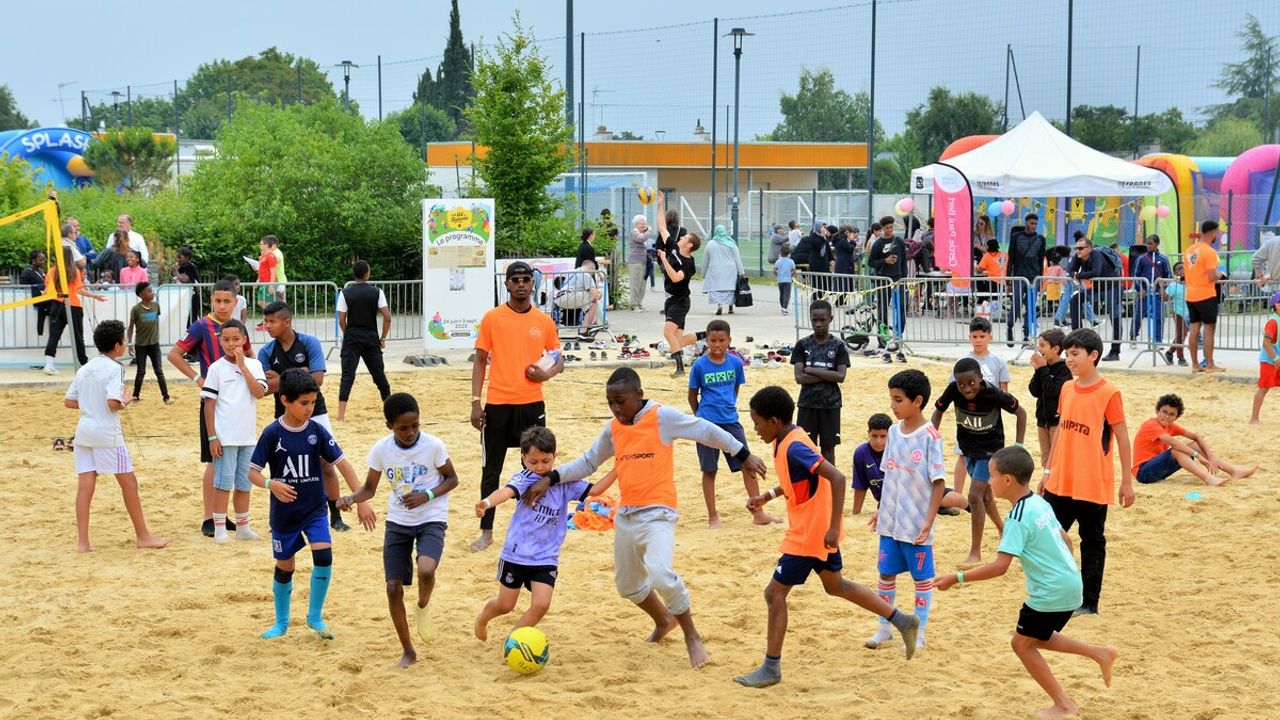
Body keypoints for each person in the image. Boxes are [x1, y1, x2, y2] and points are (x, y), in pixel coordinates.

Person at [521, 367, 768, 669]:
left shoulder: (662, 417)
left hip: (659, 513)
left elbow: (705, 430)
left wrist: (743, 454)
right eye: (610, 402)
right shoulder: (614, 427)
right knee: (627, 585)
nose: (615, 408)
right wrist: (551, 477)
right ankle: (664, 620)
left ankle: (692, 635)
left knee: (660, 572)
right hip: (626, 515)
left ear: (638, 395)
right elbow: (588, 463)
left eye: (620, 401)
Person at [734, 386, 919, 688]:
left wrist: (834, 527)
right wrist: (767, 495)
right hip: (812, 528)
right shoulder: (786, 440)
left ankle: (771, 668)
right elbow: (797, 480)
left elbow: (838, 477)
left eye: (756, 422)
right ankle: (902, 620)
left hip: (810, 534)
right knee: (836, 586)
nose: (754, 429)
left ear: (774, 421)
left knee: (774, 594)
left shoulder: (794, 445)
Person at [935, 446, 1118, 720]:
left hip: (1051, 591)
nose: (990, 480)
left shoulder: (1017, 518)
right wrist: (1061, 567)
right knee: (1037, 637)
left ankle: (1064, 705)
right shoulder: (1039, 502)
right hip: (1070, 584)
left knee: (1021, 644)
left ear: (1007, 480)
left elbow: (1000, 567)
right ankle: (1099, 653)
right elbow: (1066, 539)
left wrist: (957, 578)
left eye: (993, 475)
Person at [336, 392, 458, 668]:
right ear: (389, 425)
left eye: (415, 425)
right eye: (403, 428)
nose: (410, 432)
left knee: (426, 570)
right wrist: (350, 499)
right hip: (398, 522)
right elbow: (369, 488)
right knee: (393, 588)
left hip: (431, 516)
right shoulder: (381, 450)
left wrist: (426, 495)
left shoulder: (433, 446)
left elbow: (452, 479)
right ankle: (408, 651)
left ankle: (423, 606)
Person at [472, 426, 616, 646]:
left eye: (545, 461)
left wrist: (619, 468)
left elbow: (595, 490)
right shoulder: (524, 478)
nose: (540, 467)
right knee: (505, 605)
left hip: (545, 556)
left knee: (541, 605)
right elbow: (506, 492)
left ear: (554, 456)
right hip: (516, 554)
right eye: (534, 462)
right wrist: (487, 503)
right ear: (523, 458)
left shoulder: (564, 482)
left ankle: (513, 642)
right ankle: (482, 619)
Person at [249, 368, 364, 640]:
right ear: (285, 400)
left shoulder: (317, 431)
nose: (309, 408)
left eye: (313, 402)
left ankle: (314, 617)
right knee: (285, 566)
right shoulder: (272, 433)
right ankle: (281, 623)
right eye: (304, 403)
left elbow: (343, 465)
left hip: (314, 509)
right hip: (284, 514)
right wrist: (270, 484)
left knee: (324, 556)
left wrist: (360, 498)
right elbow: (252, 472)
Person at [1038, 328, 1134, 616]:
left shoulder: (1109, 392)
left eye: (1075, 354)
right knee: (1050, 536)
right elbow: (1060, 435)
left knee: (1092, 541)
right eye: (1067, 354)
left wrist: (1127, 482)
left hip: (1092, 482)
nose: (1069, 359)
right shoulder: (1067, 388)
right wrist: (1047, 471)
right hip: (1061, 479)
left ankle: (1089, 602)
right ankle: (1062, 590)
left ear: (1093, 355)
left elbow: (1122, 437)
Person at [470, 260, 563, 552]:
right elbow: (481, 360)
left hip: (531, 403)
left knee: (538, 468)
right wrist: (476, 402)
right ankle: (487, 532)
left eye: (526, 279)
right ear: (507, 284)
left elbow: (558, 358)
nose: (521, 283)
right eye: (516, 279)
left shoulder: (544, 321)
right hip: (497, 404)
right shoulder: (492, 318)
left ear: (532, 283)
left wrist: (547, 372)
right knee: (491, 470)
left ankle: (537, 525)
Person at [258, 300, 374, 533]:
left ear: (287, 321)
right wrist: (298, 374)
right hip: (284, 412)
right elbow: (264, 388)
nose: (267, 326)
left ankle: (335, 515)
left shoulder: (309, 342)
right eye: (266, 321)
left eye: (272, 321)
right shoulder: (266, 351)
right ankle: (285, 515)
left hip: (315, 411)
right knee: (284, 467)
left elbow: (317, 379)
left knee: (327, 465)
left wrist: (281, 377)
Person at [65, 319, 170, 553]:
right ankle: (143, 536)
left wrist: (93, 403)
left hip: (84, 432)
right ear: (117, 345)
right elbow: (112, 402)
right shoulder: (115, 368)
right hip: (106, 433)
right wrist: (126, 400)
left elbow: (69, 401)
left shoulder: (85, 368)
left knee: (85, 486)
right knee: (129, 483)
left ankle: (83, 543)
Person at [865, 369, 946, 652]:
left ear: (918, 401)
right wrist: (880, 509)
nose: (892, 405)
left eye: (898, 399)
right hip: (890, 521)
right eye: (891, 398)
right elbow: (889, 475)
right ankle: (884, 628)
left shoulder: (930, 437)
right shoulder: (894, 433)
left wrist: (928, 521)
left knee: (921, 579)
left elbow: (938, 483)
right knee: (885, 574)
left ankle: (919, 633)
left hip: (916, 526)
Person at [169, 279, 252, 536]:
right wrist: (199, 380)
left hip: (237, 405)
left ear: (236, 302)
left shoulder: (237, 329)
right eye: (218, 300)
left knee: (235, 460)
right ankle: (209, 517)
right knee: (214, 461)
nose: (222, 305)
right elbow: (174, 355)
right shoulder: (201, 326)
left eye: (227, 301)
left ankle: (224, 516)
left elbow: (250, 357)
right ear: (211, 301)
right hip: (213, 404)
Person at [932, 357, 1027, 566]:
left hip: (991, 452)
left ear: (981, 378)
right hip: (968, 450)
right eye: (961, 384)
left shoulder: (993, 393)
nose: (966, 389)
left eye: (971, 383)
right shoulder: (953, 390)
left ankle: (975, 552)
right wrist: (930, 437)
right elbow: (938, 410)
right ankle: (1003, 530)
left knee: (974, 495)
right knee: (985, 497)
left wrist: (1018, 447)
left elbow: (1021, 412)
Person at [688, 319, 779, 527]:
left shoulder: (736, 363)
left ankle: (758, 513)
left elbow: (735, 389)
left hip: (731, 421)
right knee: (709, 470)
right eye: (713, 341)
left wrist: (728, 408)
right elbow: (692, 395)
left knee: (747, 465)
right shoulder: (699, 365)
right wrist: (700, 417)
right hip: (707, 424)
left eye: (721, 340)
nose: (717, 345)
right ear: (707, 341)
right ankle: (713, 517)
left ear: (729, 340)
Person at [200, 319, 267, 543]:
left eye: (236, 339)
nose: (231, 344)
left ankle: (243, 526)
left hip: (247, 436)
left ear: (244, 340)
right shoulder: (216, 368)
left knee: (244, 483)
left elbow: (258, 392)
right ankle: (219, 527)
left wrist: (243, 366)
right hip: (224, 437)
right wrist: (212, 437)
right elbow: (209, 405)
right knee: (222, 483)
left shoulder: (254, 366)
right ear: (220, 341)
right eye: (226, 340)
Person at [1133, 393, 1257, 486]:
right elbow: (1174, 443)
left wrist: (1210, 456)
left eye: (1171, 414)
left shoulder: (1170, 425)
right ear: (1157, 411)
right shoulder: (1151, 424)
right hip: (1143, 473)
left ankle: (1233, 471)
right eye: (1164, 412)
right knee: (1176, 450)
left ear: (1176, 417)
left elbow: (1197, 437)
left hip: (1158, 471)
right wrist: (1199, 457)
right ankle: (1209, 479)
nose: (1166, 416)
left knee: (1195, 445)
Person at [791, 300, 849, 463]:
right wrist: (828, 373)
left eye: (822, 320)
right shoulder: (802, 345)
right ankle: (810, 486)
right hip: (807, 403)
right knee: (805, 448)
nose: (818, 324)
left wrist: (812, 370)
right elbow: (799, 378)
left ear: (830, 319)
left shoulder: (838, 346)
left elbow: (841, 376)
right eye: (814, 320)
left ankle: (829, 486)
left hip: (831, 404)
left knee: (828, 449)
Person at [655, 192, 704, 376]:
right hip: (672, 299)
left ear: (689, 245)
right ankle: (705, 335)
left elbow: (676, 277)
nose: (681, 238)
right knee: (679, 340)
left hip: (680, 301)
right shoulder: (675, 248)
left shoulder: (689, 263)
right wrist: (660, 205)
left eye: (684, 238)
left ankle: (680, 368)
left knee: (668, 332)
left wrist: (663, 259)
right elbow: (661, 227)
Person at [336, 260, 392, 421]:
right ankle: (390, 411)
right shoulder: (377, 292)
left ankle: (341, 416)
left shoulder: (345, 293)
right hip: (370, 337)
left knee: (347, 376)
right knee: (379, 375)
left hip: (352, 337)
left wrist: (349, 333)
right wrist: (382, 337)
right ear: (367, 273)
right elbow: (387, 317)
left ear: (354, 274)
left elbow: (341, 320)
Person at [44, 246, 104, 374]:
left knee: (54, 335)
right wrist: (95, 296)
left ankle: (49, 364)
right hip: (73, 306)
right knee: (78, 336)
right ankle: (83, 364)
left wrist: (59, 296)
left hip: (57, 305)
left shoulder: (52, 271)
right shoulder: (74, 271)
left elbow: (47, 292)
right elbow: (79, 290)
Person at [1186, 221, 1227, 372]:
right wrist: (1221, 275)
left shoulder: (1190, 250)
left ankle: (1195, 365)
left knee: (1194, 330)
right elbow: (1211, 276)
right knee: (1209, 330)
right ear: (1213, 233)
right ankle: (1210, 364)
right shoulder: (1209, 252)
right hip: (1205, 294)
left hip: (1191, 294)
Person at [1028, 328, 1071, 469]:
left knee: (1057, 456)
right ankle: (1047, 486)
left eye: (1042, 345)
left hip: (1056, 422)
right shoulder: (1043, 367)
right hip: (1042, 421)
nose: (1039, 349)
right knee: (1046, 457)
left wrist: (1042, 370)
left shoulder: (1064, 369)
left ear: (1056, 348)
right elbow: (1034, 391)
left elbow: (1052, 390)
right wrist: (1038, 371)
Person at [126, 281, 171, 404]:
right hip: (141, 345)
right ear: (141, 294)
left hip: (154, 344)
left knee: (159, 371)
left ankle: (166, 397)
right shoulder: (136, 309)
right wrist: (129, 343)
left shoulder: (156, 306)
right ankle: (135, 396)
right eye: (149, 291)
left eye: (152, 290)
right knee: (141, 371)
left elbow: (155, 322)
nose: (152, 293)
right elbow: (130, 327)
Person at [1006, 214, 1046, 344]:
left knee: (1030, 307)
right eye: (1031, 223)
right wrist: (1008, 280)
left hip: (1034, 278)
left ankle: (1026, 335)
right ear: (1026, 223)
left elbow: (1040, 261)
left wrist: (1040, 279)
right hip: (1019, 277)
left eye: (1035, 223)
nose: (1033, 226)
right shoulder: (1016, 237)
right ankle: (1009, 327)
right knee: (1016, 304)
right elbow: (1010, 259)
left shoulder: (1040, 239)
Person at [868, 217, 908, 341]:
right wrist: (884, 260)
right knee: (883, 307)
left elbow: (904, 259)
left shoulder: (899, 241)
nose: (889, 230)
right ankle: (883, 334)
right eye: (886, 228)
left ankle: (898, 333)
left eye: (891, 227)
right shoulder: (878, 244)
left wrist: (904, 277)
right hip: (883, 280)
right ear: (882, 229)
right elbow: (871, 262)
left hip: (898, 278)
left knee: (901, 306)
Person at [1131, 234, 1171, 346]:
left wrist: (1164, 289)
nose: (1148, 246)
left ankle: (1157, 341)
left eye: (1151, 244)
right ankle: (1133, 337)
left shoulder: (1163, 259)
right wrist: (1140, 289)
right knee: (1139, 315)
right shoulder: (1141, 258)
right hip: (1144, 293)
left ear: (1157, 244)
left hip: (1158, 293)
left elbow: (1168, 275)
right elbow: (1135, 274)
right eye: (1147, 244)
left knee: (1159, 317)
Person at [703, 225, 745, 315]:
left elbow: (705, 260)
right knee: (730, 288)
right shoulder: (731, 244)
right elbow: (738, 259)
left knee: (717, 288)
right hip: (730, 270)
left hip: (715, 270)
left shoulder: (710, 244)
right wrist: (741, 272)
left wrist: (703, 273)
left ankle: (719, 305)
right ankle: (730, 307)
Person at [1252, 291, 1280, 424]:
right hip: (1270, 361)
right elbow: (1266, 342)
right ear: (1275, 306)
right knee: (1263, 388)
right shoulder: (1273, 322)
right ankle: (1254, 418)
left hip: (1276, 359)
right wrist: (1275, 358)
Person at [1161, 262, 1189, 366]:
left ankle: (1169, 352)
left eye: (1183, 268)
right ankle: (1181, 358)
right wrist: (1162, 286)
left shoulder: (1191, 282)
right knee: (1181, 334)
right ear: (1175, 273)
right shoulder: (1174, 285)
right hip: (1178, 312)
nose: (1181, 270)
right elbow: (1165, 298)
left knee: (1181, 335)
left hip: (1190, 313)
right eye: (1179, 269)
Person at [19, 249, 51, 337]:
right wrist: (40, 287)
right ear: (33, 261)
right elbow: (23, 286)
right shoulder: (27, 272)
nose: (43, 262)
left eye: (44, 260)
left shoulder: (40, 271)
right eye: (40, 260)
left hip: (44, 299)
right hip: (36, 300)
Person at [627, 214, 651, 311]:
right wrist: (648, 231)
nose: (644, 225)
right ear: (637, 224)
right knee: (635, 284)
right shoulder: (634, 232)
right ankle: (633, 305)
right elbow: (641, 239)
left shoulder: (642, 234)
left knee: (642, 284)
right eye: (642, 224)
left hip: (643, 261)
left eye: (645, 223)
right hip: (635, 262)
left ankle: (639, 303)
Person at [175, 247, 201, 326]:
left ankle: (191, 336)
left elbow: (185, 279)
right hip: (191, 295)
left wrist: (175, 271)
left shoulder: (188, 266)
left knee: (190, 319)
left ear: (186, 257)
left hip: (191, 296)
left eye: (180, 257)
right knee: (191, 317)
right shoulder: (192, 266)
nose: (178, 259)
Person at [254, 236, 278, 320]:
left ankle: (271, 319)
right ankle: (272, 317)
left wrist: (271, 285)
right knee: (260, 302)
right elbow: (261, 271)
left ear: (266, 245)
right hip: (263, 282)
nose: (260, 246)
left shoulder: (270, 256)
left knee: (268, 303)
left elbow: (273, 271)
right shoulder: (263, 256)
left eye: (261, 244)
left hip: (268, 282)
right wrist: (257, 281)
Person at [773, 244, 795, 316]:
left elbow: (774, 270)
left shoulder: (778, 261)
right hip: (788, 280)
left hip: (780, 280)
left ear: (780, 253)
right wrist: (790, 275)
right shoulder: (791, 261)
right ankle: (785, 308)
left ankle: (782, 307)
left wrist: (778, 274)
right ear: (789, 253)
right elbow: (794, 271)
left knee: (781, 294)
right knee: (787, 294)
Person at [268, 235, 287, 302]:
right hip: (275, 281)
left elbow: (275, 260)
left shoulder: (277, 252)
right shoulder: (271, 253)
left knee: (279, 302)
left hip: (279, 281)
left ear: (273, 245)